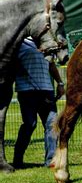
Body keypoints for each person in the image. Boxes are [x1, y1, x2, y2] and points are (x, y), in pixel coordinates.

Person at [12, 38, 65, 168]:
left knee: (52, 125)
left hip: (47, 91)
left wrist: (60, 83)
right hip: (26, 91)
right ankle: (17, 160)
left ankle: (50, 161)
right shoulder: (20, 43)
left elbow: (52, 65)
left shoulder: (47, 44)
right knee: (30, 125)